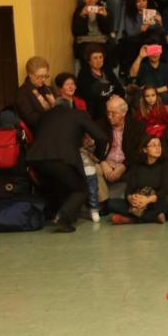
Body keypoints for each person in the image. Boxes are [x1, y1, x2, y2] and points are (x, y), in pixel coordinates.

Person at [26, 73, 109, 233]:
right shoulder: (77, 114)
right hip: (61, 159)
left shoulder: (45, 116)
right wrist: (99, 156)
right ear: (69, 105)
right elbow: (101, 137)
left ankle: (55, 214)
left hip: (36, 159)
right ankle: (63, 219)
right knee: (81, 188)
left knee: (59, 184)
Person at [110, 135, 168, 224]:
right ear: (145, 150)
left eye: (159, 145)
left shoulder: (166, 165)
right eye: (153, 145)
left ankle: (132, 219)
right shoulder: (137, 166)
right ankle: (153, 217)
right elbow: (129, 189)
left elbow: (165, 189)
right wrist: (131, 199)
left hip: (154, 201)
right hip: (138, 201)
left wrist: (147, 200)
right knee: (111, 203)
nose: (158, 148)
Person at [97, 95, 144, 204]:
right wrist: (102, 162)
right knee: (93, 168)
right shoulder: (99, 125)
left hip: (127, 164)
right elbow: (90, 149)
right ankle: (104, 202)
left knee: (141, 167)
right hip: (105, 164)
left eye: (114, 113)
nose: (110, 116)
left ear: (124, 113)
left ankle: (133, 201)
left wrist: (124, 166)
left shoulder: (137, 126)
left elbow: (139, 151)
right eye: (108, 112)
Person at [76, 44, 125, 123]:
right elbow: (86, 96)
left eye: (100, 57)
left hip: (112, 104)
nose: (99, 60)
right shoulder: (84, 74)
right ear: (89, 61)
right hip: (96, 109)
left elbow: (120, 90)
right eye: (95, 58)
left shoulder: (107, 71)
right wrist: (106, 99)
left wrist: (116, 96)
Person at [71, 0, 115, 71]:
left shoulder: (103, 9)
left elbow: (108, 30)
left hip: (101, 40)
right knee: (89, 52)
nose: (90, 0)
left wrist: (105, 17)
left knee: (105, 53)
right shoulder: (79, 11)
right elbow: (76, 31)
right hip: (85, 41)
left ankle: (105, 76)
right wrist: (82, 16)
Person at [120, 0, 165, 73]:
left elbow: (162, 33)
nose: (142, 3)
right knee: (130, 46)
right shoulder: (130, 15)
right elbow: (130, 33)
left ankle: (156, 73)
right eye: (138, 1)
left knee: (158, 43)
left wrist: (160, 22)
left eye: (144, 0)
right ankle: (132, 75)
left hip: (152, 41)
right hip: (136, 42)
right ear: (134, 3)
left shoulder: (154, 12)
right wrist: (141, 29)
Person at [15, 56, 55, 131]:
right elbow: (31, 119)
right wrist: (52, 113)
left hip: (52, 128)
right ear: (30, 74)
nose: (43, 79)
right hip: (37, 131)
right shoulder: (22, 93)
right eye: (39, 76)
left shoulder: (49, 89)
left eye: (45, 76)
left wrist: (54, 104)